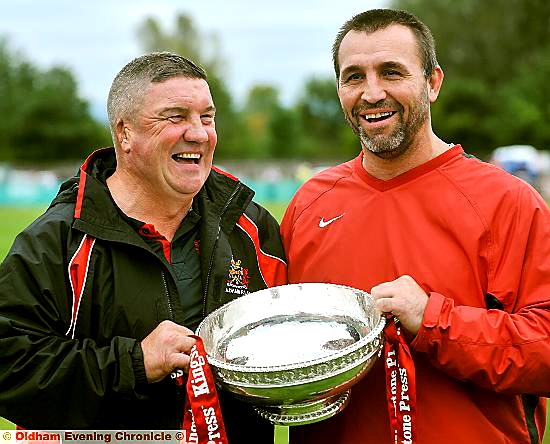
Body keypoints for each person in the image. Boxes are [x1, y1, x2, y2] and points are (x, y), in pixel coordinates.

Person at [280, 8, 550, 444]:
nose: (372, 93)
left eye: (391, 72)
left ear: (433, 82)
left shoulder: (507, 202)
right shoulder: (310, 203)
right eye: (354, 77)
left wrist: (433, 320)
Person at [0, 52, 287, 441]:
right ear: (124, 133)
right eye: (175, 117)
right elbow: (9, 366)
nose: (199, 133)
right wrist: (133, 363)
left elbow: (288, 336)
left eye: (207, 117)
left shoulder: (249, 225)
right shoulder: (58, 242)